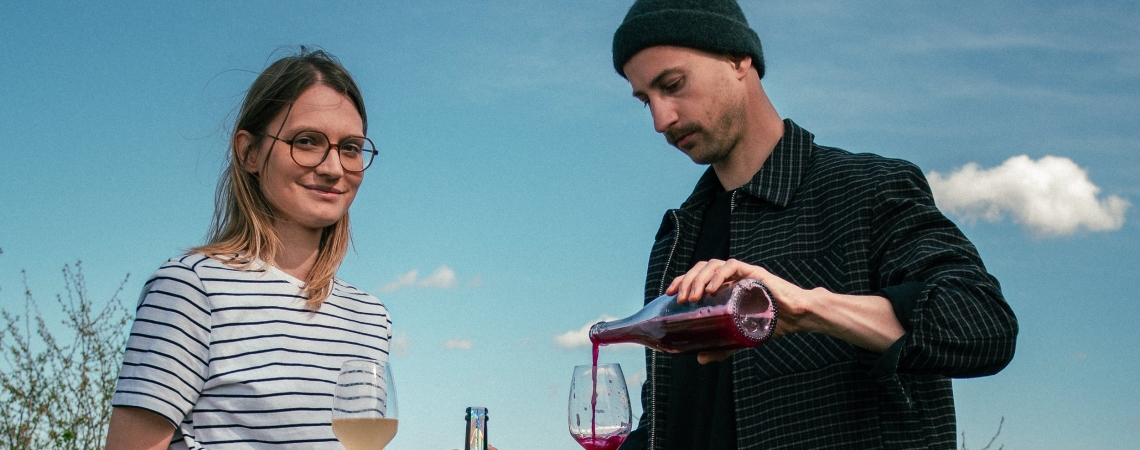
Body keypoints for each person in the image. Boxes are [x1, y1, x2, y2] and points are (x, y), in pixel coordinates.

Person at [609, 1, 1019, 449]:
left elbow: (985, 324)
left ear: (737, 58)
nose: (661, 120)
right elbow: (672, 417)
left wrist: (808, 309)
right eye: (646, 100)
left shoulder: (867, 189)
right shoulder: (676, 239)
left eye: (673, 85)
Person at [104, 49, 391, 449]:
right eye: (307, 141)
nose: (332, 167)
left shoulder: (370, 318)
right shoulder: (192, 289)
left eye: (350, 148)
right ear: (249, 152)